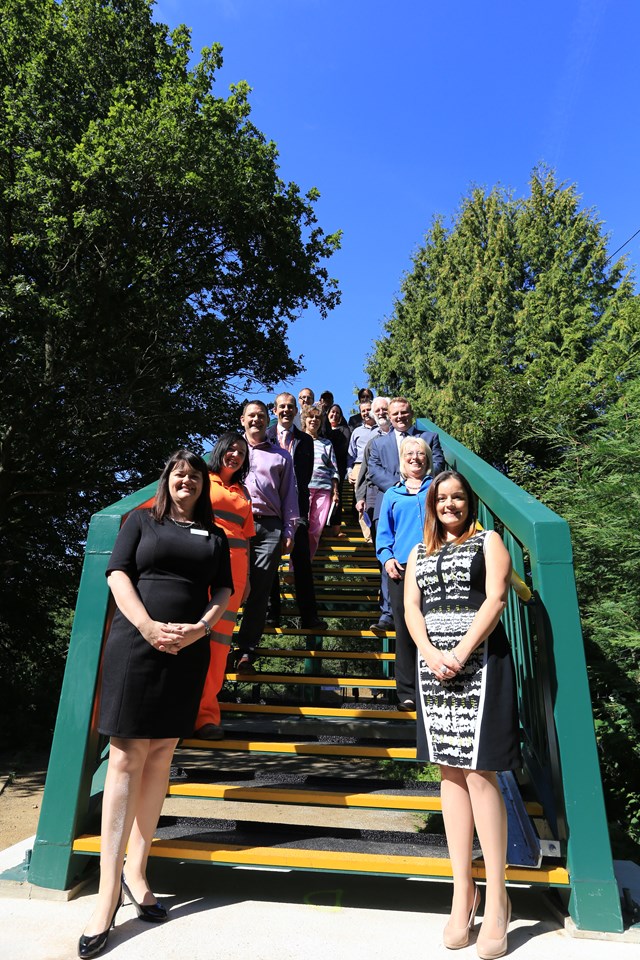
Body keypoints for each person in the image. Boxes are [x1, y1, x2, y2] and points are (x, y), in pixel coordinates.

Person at [79, 450, 233, 958]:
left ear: (203, 485)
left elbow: (225, 591)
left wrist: (201, 629)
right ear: (167, 481)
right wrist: (147, 626)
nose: (186, 479)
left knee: (162, 753)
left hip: (185, 651)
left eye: (194, 474)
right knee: (126, 757)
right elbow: (118, 575)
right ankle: (105, 897)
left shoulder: (215, 536)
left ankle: (137, 873)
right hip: (135, 644)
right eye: (178, 473)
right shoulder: (140, 521)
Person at [404, 470, 518, 958]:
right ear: (431, 505)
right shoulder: (417, 552)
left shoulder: (488, 540)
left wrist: (464, 649)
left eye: (458, 498)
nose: (450, 504)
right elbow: (412, 607)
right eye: (442, 498)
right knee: (449, 775)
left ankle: (497, 898)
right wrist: (430, 652)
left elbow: (495, 597)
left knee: (479, 772)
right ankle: (461, 893)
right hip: (435, 671)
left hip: (481, 665)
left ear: (469, 503)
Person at [193, 433, 255, 740]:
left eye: (242, 452)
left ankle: (206, 716)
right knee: (191, 636)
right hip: (201, 565)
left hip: (235, 574)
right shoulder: (201, 478)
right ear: (219, 450)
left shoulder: (242, 491)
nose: (235, 454)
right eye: (231, 448)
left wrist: (248, 583)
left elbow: (246, 536)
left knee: (218, 646)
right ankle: (177, 713)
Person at [367, 396, 445, 632]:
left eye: (404, 412)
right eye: (395, 414)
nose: (399, 417)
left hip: (425, 503)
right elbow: (373, 470)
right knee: (389, 557)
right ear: (388, 417)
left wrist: (418, 484)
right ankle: (388, 612)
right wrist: (402, 486)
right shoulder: (378, 444)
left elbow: (439, 464)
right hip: (391, 504)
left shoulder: (429, 438)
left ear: (411, 413)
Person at [234, 399, 299, 672]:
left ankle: (246, 651)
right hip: (235, 525)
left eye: (261, 416)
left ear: (267, 420)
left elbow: (290, 496)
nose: (256, 420)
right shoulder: (232, 451)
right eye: (251, 416)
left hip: (269, 527)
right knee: (230, 585)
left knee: (260, 592)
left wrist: (289, 530)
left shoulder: (281, 455)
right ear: (242, 420)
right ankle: (219, 645)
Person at [376, 437, 433, 711]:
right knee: (405, 629)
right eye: (409, 453)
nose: (415, 457)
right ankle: (407, 693)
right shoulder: (392, 495)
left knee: (434, 626)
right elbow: (383, 536)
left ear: (428, 458)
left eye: (420, 453)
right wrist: (386, 559)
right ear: (402, 458)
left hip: (434, 565)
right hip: (401, 569)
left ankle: (434, 684)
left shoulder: (437, 488)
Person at [266, 392, 326, 629]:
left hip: (297, 509)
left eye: (291, 407)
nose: (286, 410)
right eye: (282, 407)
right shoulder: (266, 436)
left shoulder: (305, 440)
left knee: (302, 561)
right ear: (274, 410)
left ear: (296, 411)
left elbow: (305, 477)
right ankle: (272, 613)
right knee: (269, 562)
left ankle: (309, 616)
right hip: (270, 508)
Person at [302, 404, 340, 556]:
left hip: (324, 489)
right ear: (305, 419)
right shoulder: (298, 440)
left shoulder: (327, 443)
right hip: (303, 490)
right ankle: (294, 567)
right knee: (301, 527)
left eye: (318, 417)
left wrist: (335, 491)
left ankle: (306, 563)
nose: (314, 420)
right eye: (311, 416)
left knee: (315, 529)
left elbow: (334, 469)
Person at [326, 402, 350, 535]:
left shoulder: (344, 430)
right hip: (323, 466)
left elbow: (343, 449)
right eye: (332, 412)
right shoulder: (323, 429)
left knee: (337, 495)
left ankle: (336, 527)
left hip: (338, 466)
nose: (334, 415)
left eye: (337, 413)